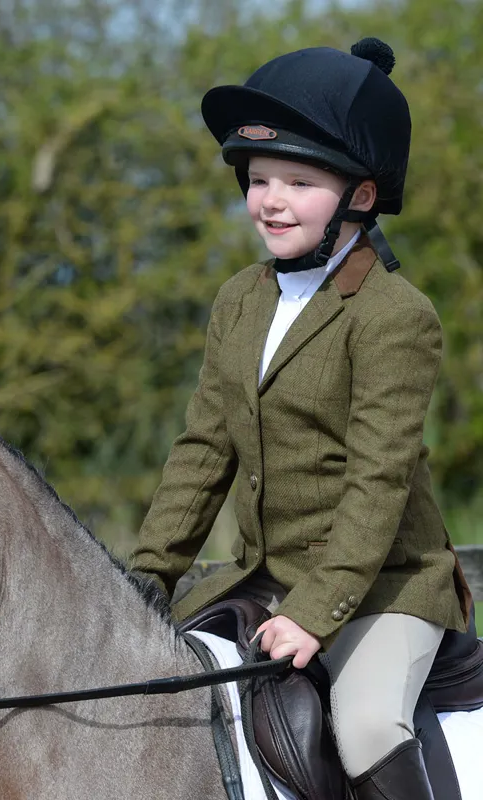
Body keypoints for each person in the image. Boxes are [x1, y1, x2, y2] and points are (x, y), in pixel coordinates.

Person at [129, 38, 471, 799]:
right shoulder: (240, 299)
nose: (270, 200)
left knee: (368, 724)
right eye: (258, 180)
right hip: (263, 578)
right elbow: (202, 450)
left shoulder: (394, 317)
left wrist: (315, 615)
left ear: (362, 194)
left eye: (298, 180)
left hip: (386, 588)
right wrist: (148, 577)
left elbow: (377, 484)